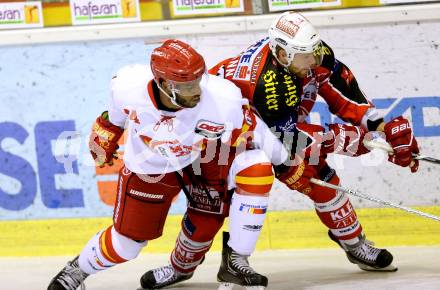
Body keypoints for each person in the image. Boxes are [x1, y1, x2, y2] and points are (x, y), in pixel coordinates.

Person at [145, 12, 421, 286]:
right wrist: (365, 142)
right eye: (305, 55)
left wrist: (382, 127)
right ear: (282, 53)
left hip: (270, 134)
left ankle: (354, 243)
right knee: (207, 214)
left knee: (324, 181)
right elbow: (292, 140)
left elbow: (344, 94)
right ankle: (180, 267)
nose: (313, 60)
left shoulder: (311, 55)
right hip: (218, 141)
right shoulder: (266, 83)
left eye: (314, 51)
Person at [47, 39, 292, 290]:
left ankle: (234, 262)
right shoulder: (127, 85)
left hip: (202, 159)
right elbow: (112, 119)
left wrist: (285, 162)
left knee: (256, 167)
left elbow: (254, 130)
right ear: (163, 83)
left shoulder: (221, 98)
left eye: (198, 80)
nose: (197, 90)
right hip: (151, 167)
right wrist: (103, 141)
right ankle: (77, 269)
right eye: (187, 85)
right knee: (127, 244)